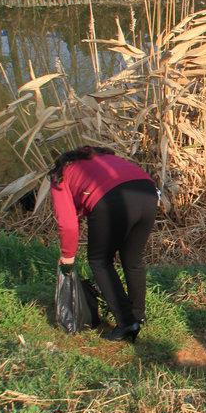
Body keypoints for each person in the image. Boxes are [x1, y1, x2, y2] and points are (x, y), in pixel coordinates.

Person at [49, 146, 158, 342]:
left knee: (99, 260)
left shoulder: (61, 174)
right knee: (133, 259)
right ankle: (138, 315)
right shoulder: (105, 159)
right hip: (148, 192)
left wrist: (67, 256)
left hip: (110, 199)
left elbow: (68, 224)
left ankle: (127, 322)